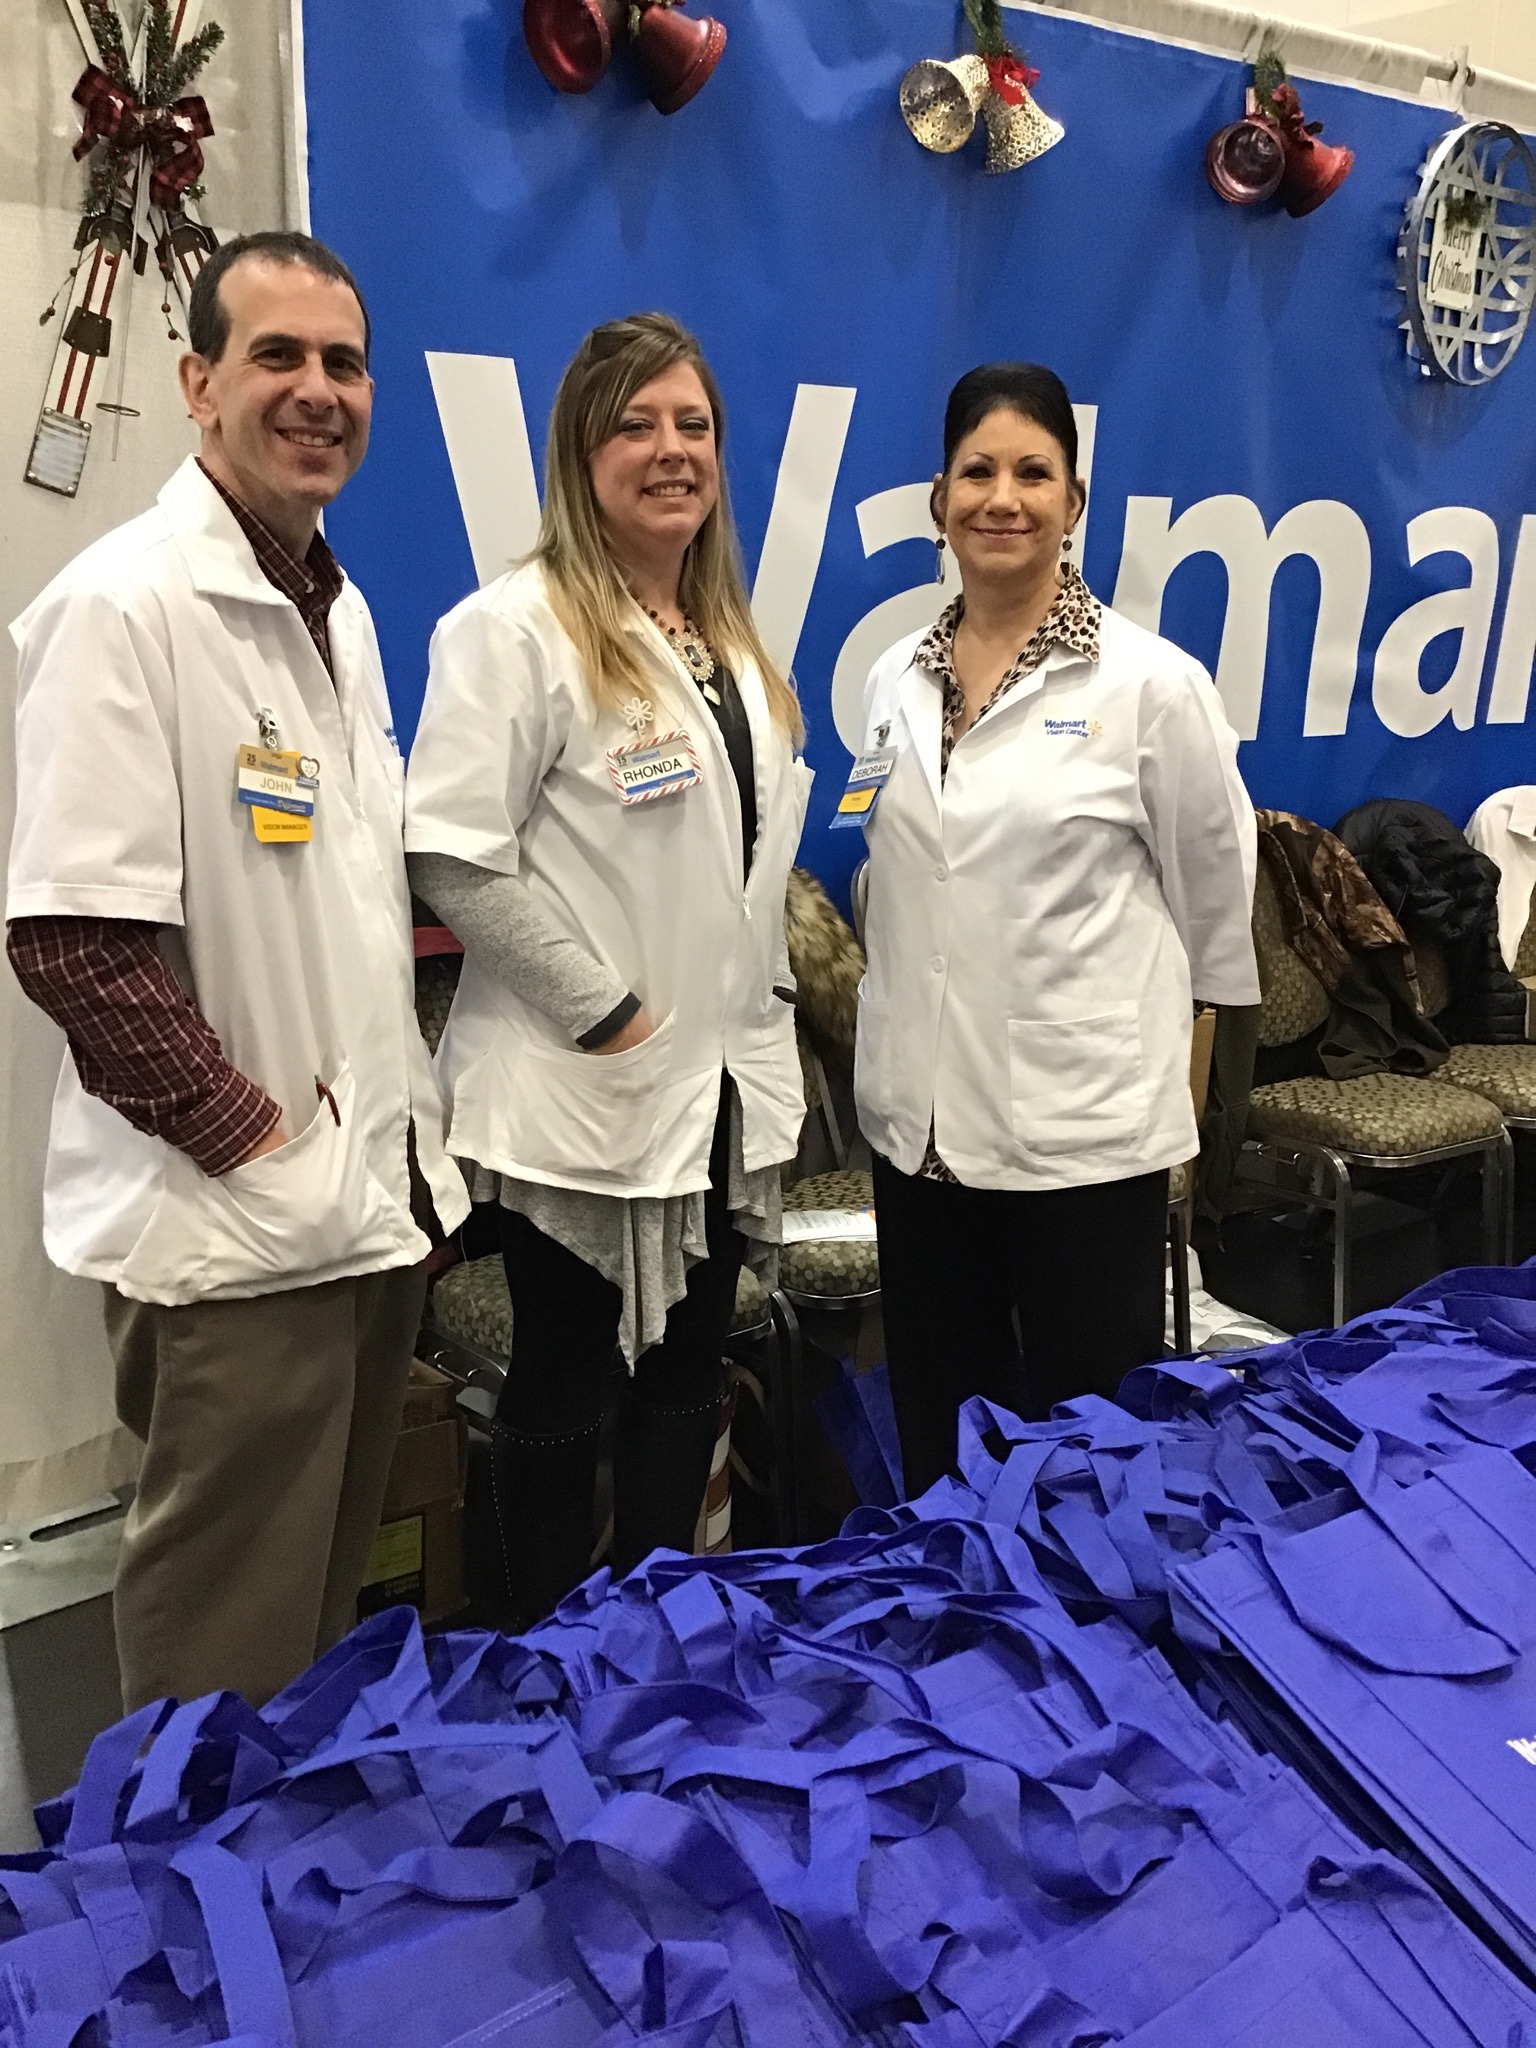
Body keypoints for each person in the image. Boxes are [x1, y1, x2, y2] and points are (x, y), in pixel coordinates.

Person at [6, 231, 468, 1710]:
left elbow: (337, 906)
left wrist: (372, 1162)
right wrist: (260, 1147)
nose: (318, 390)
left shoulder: (340, 609)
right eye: (278, 356)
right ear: (198, 384)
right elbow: (73, 942)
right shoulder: (123, 607)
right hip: (238, 1242)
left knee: (312, 1634)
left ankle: (283, 1859)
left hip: (356, 1216)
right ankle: (185, 1870)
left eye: (344, 363)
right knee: (220, 1665)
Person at [406, 313, 811, 1623]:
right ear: (581, 455)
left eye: (693, 424)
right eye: (635, 424)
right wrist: (608, 1014)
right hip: (583, 1085)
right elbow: (453, 855)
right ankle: (548, 1653)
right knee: (565, 1382)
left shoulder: (729, 641)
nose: (671, 449)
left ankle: (651, 1627)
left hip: (717, 1085)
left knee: (687, 1372)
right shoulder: (511, 629)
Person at [853, 361, 1259, 1498]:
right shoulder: (894, 676)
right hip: (921, 1129)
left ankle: (1095, 1612)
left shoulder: (1151, 686)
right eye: (977, 470)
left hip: (1081, 1135)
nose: (1003, 497)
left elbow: (1215, 896)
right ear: (938, 499)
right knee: (944, 1435)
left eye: (1033, 473)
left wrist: (1161, 1063)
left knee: (1089, 1453)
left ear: (1074, 502)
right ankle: (958, 1603)